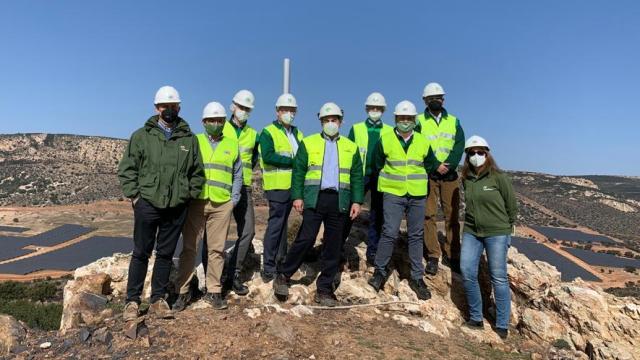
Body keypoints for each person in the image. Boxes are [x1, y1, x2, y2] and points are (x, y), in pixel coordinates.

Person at [118, 85, 204, 321]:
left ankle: (158, 299)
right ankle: (132, 302)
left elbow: (197, 172)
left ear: (179, 107)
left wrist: (187, 195)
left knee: (165, 254)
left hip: (176, 207)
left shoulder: (189, 139)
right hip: (147, 204)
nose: (169, 109)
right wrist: (135, 197)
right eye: (165, 106)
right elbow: (127, 169)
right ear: (157, 108)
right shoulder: (141, 136)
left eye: (173, 106)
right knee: (140, 253)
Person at [273, 102, 363, 306]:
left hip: (339, 200)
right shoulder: (309, 143)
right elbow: (299, 172)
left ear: (340, 121)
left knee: (333, 244)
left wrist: (357, 201)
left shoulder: (351, 147)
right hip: (315, 198)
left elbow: (357, 176)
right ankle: (284, 275)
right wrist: (297, 196)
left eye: (334, 120)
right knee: (305, 238)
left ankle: (324, 289)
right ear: (321, 122)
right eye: (326, 120)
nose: (330, 123)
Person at [174, 101, 243, 311]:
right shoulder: (195, 142)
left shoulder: (232, 144)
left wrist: (234, 199)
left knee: (217, 249)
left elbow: (237, 173)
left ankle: (214, 291)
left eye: (220, 120)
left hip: (222, 203)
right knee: (189, 248)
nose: (216, 123)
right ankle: (183, 292)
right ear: (204, 122)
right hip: (197, 202)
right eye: (211, 120)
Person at [368, 100, 434, 300]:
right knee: (389, 232)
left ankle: (417, 277)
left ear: (414, 120)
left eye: (409, 118)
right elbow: (376, 163)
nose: (405, 121)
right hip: (393, 193)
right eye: (401, 118)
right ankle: (380, 272)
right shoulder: (385, 139)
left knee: (416, 235)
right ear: (396, 119)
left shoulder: (423, 142)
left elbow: (429, 165)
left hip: (416, 194)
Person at [459, 135, 517, 339]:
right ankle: (476, 317)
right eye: (472, 153)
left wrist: (507, 229)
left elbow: (512, 206)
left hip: (497, 232)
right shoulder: (466, 178)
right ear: (467, 156)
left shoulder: (498, 177)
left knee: (498, 277)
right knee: (466, 270)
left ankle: (502, 324)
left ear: (487, 154)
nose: (476, 156)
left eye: (480, 152)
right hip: (472, 231)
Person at [416, 82, 465, 275]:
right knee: (428, 215)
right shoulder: (419, 120)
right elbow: (418, 143)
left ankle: (453, 256)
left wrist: (450, 164)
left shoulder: (453, 121)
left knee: (451, 215)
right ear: (425, 100)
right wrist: (434, 164)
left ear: (443, 99)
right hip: (428, 173)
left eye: (438, 97)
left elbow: (459, 144)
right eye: (431, 98)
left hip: (450, 174)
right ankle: (433, 256)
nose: (435, 100)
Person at [259, 93, 303, 282]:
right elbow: (268, 156)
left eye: (292, 110)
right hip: (276, 186)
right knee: (276, 226)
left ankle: (281, 261)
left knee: (283, 226)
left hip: (292, 186)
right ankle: (268, 265)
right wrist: (292, 161)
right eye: (285, 110)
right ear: (277, 111)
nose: (289, 113)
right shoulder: (268, 132)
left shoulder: (297, 133)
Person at [344, 92, 393, 265]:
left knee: (377, 213)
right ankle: (340, 244)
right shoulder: (356, 128)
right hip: (360, 175)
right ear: (366, 109)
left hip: (381, 175)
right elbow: (347, 152)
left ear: (383, 110)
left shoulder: (389, 131)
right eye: (372, 107)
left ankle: (373, 250)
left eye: (378, 108)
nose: (375, 110)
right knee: (350, 208)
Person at [220, 90, 259, 295]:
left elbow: (252, 160)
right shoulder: (221, 127)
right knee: (215, 234)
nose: (243, 111)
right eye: (241, 107)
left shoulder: (253, 135)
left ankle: (233, 273)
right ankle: (214, 279)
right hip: (222, 187)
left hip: (243, 187)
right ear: (232, 106)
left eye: (247, 109)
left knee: (248, 231)